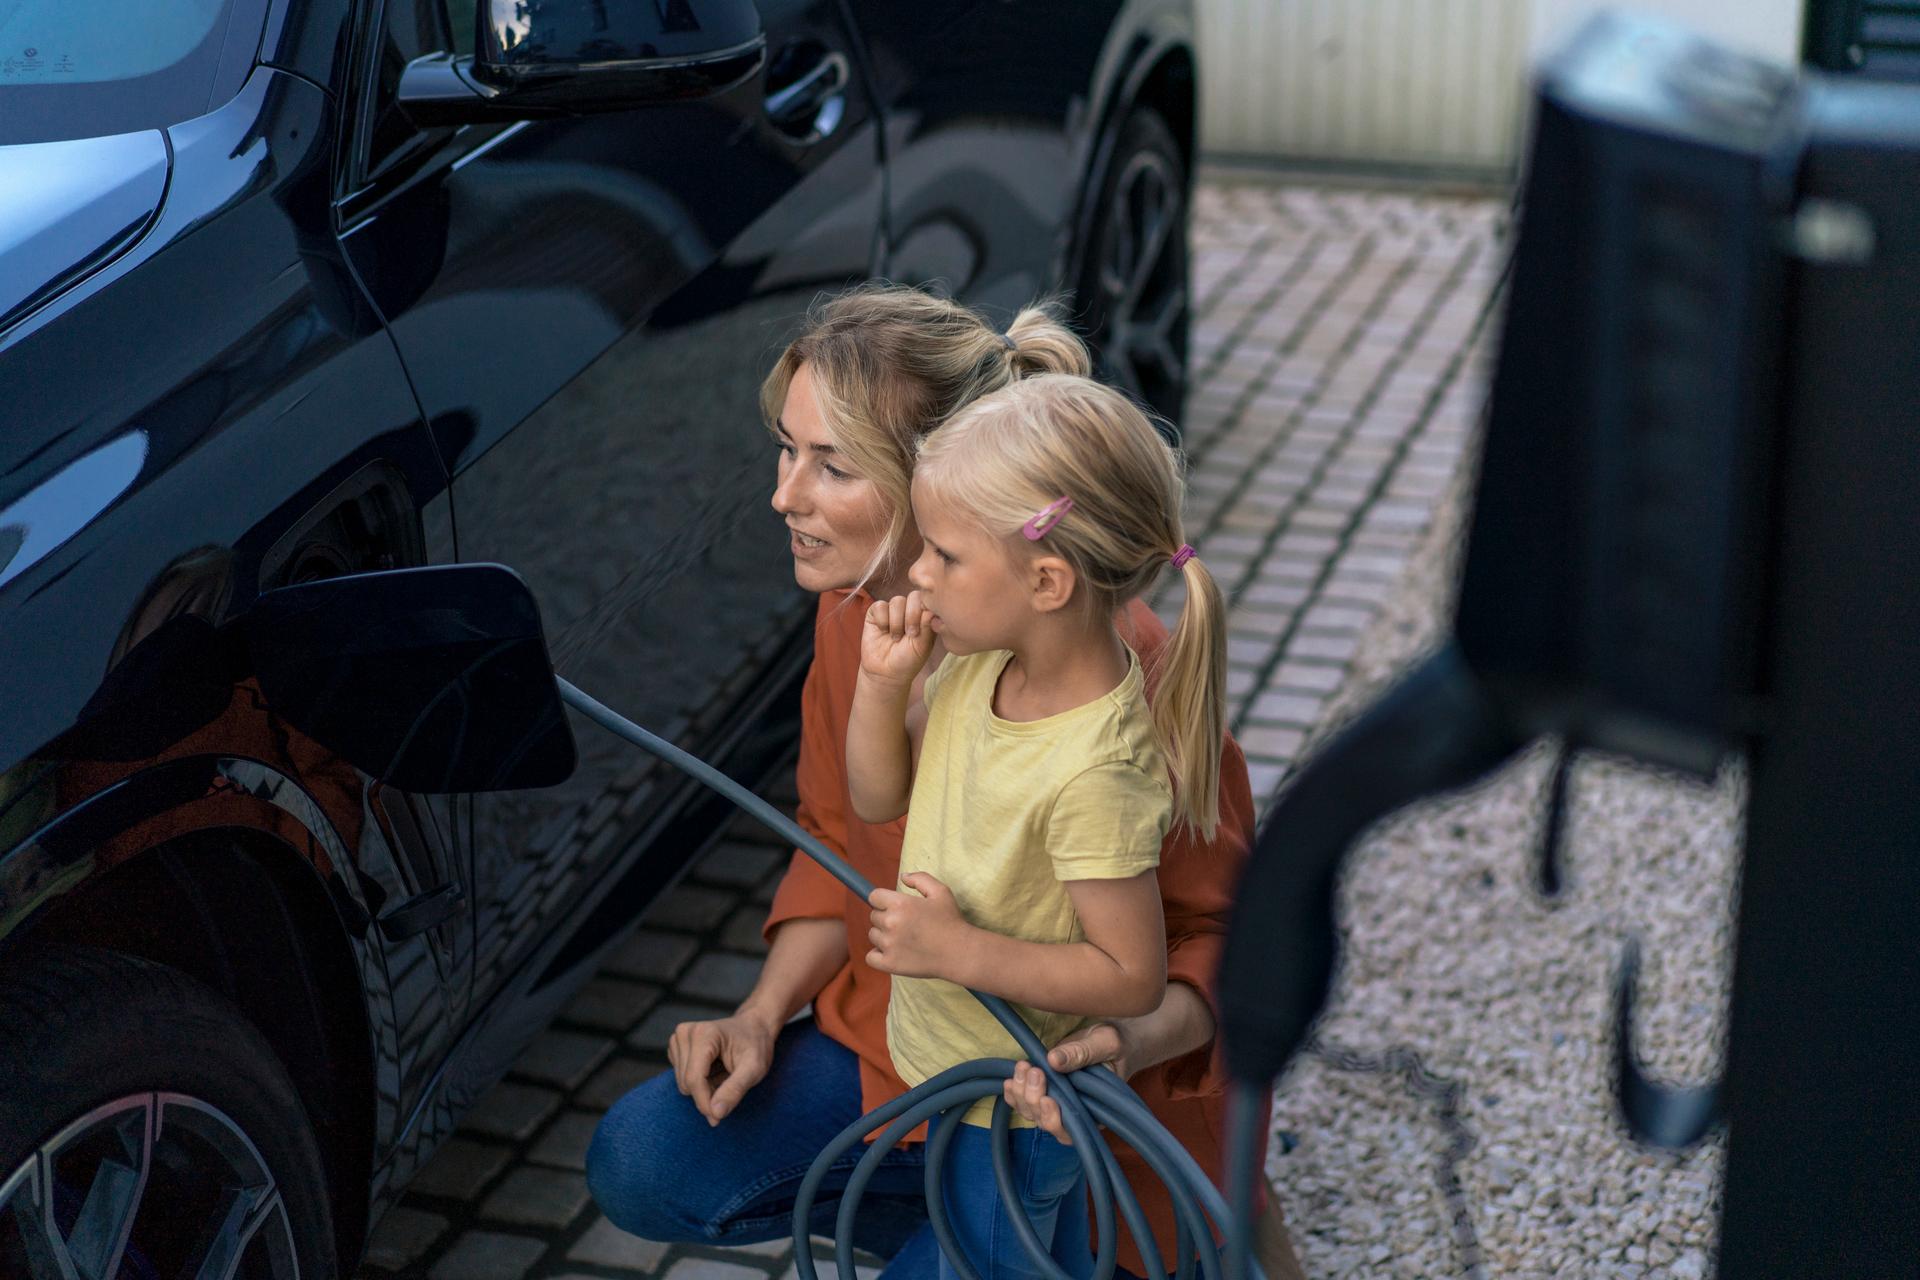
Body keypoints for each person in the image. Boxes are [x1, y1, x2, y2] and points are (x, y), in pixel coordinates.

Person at [585, 285, 1304, 1280]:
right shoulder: (862, 614)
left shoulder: (1125, 684)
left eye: (831, 465)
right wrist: (759, 1011)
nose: (783, 496)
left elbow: (1229, 946)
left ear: (935, 482)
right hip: (911, 1046)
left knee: (1016, 1224)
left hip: (1076, 1101)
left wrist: (1126, 1044)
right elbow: (836, 826)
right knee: (643, 1161)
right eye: (787, 451)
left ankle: (1157, 1239)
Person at [846, 371, 1229, 1279]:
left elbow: (1131, 976)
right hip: (962, 1076)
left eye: (943, 554)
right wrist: (881, 684)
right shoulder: (982, 665)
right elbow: (874, 796)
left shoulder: (1096, 766)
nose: (917, 574)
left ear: (1047, 579)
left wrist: (959, 951)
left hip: (1016, 1111)